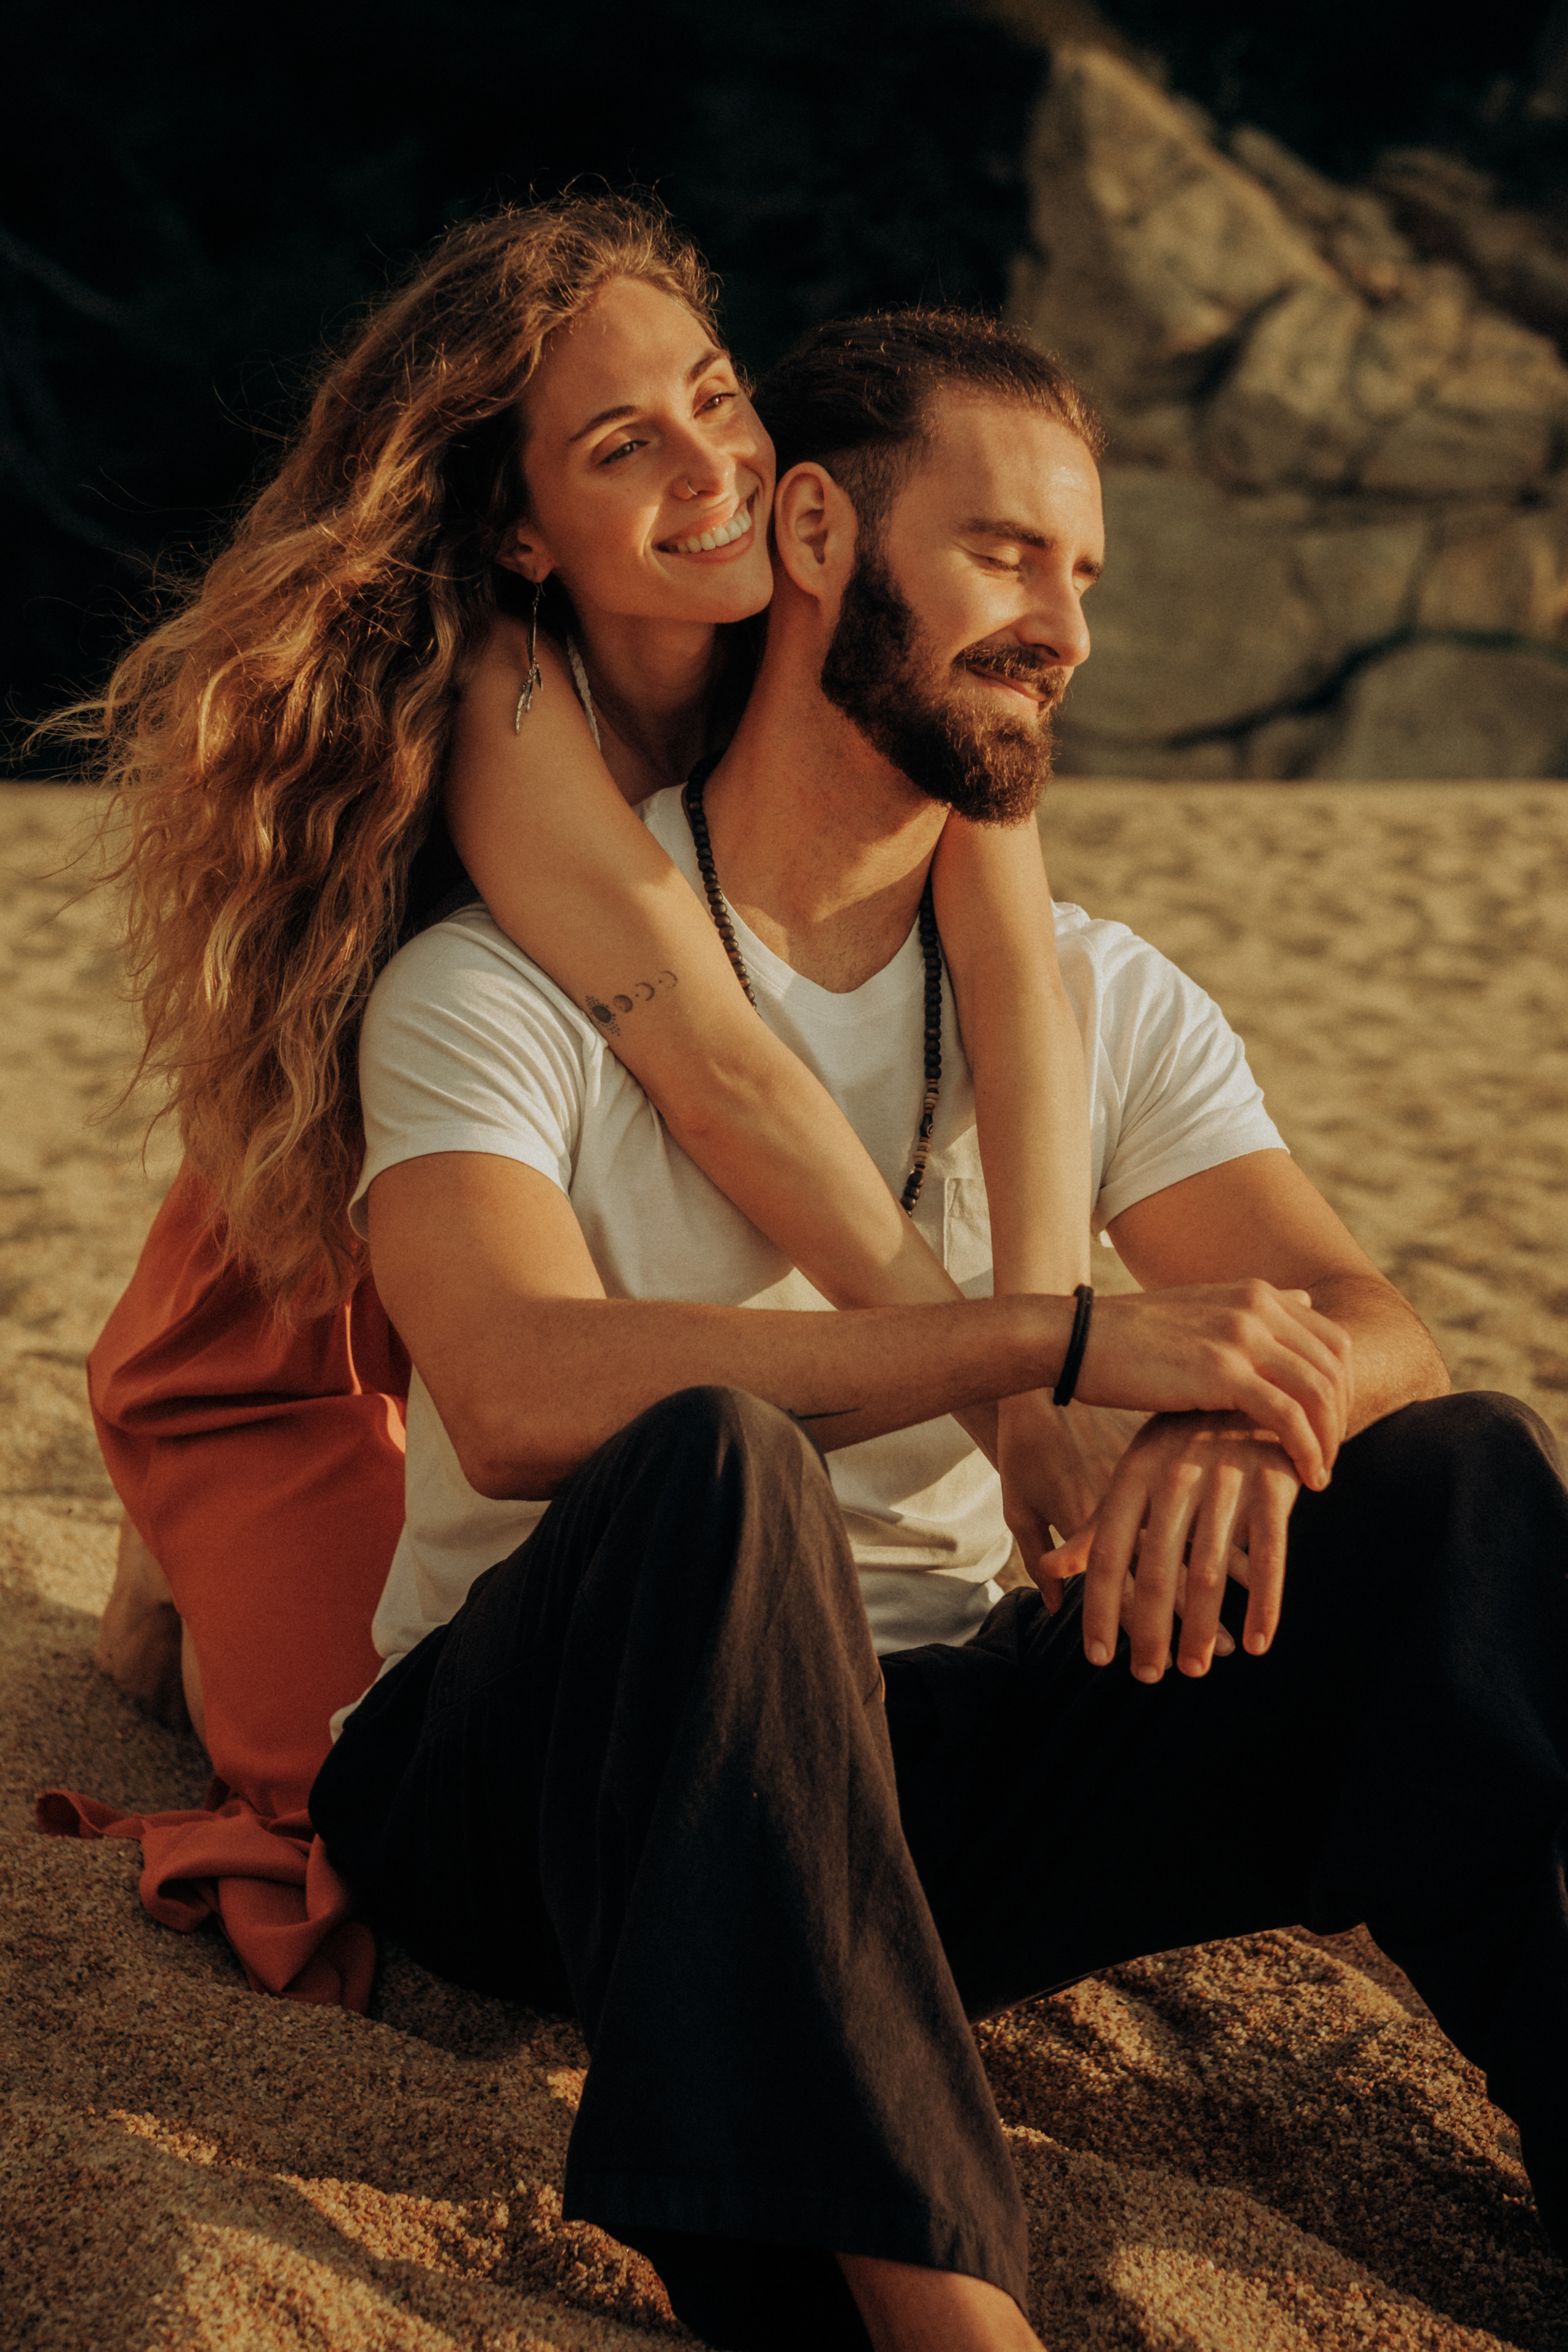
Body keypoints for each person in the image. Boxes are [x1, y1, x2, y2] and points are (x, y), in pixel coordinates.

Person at [307, 301, 1568, 2351]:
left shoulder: (1088, 987)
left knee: (1464, 1482)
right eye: (1004, 554)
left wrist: (1250, 1412)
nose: (1063, 623)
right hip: (549, 1781)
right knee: (722, 1469)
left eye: (1084, 574)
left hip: (914, 1787)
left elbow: (1368, 1311)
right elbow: (520, 1388)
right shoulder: (509, 982)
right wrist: (1052, 1347)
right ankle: (940, 2320)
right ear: (812, 534)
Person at [41, 197, 1097, 2004]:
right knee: (312, 1769)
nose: (717, 465)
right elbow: (725, 1074)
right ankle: (173, 1581)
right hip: (316, 1268)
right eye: (627, 446)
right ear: (524, 529)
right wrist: (1019, 1395)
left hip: (554, 1205)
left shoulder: (821, 603)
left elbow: (1012, 971)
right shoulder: (509, 691)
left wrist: (1053, 1342)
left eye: (715, 393)